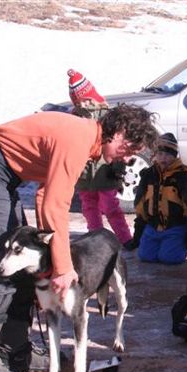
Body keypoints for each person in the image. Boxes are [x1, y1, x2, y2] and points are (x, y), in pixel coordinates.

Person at [0, 104, 158, 372]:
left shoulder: (83, 138)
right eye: (131, 146)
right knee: (7, 265)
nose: (131, 156)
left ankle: (14, 348)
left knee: (27, 267)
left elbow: (45, 196)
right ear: (118, 133)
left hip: (0, 178)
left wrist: (49, 252)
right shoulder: (78, 138)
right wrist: (63, 267)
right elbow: (53, 204)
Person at [68, 69, 134, 246]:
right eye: (80, 100)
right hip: (84, 173)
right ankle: (95, 236)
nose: (85, 103)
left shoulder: (107, 117)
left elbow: (117, 142)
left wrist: (119, 166)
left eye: (87, 99)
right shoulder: (74, 118)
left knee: (110, 206)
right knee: (89, 206)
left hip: (105, 171)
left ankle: (125, 238)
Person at [128, 133, 187, 264]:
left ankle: (180, 247)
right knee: (145, 256)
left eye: (168, 155)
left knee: (169, 258)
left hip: (174, 227)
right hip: (152, 227)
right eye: (160, 154)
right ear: (155, 156)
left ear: (174, 157)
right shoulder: (148, 176)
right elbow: (140, 204)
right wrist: (138, 233)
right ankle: (162, 244)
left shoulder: (182, 177)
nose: (164, 158)